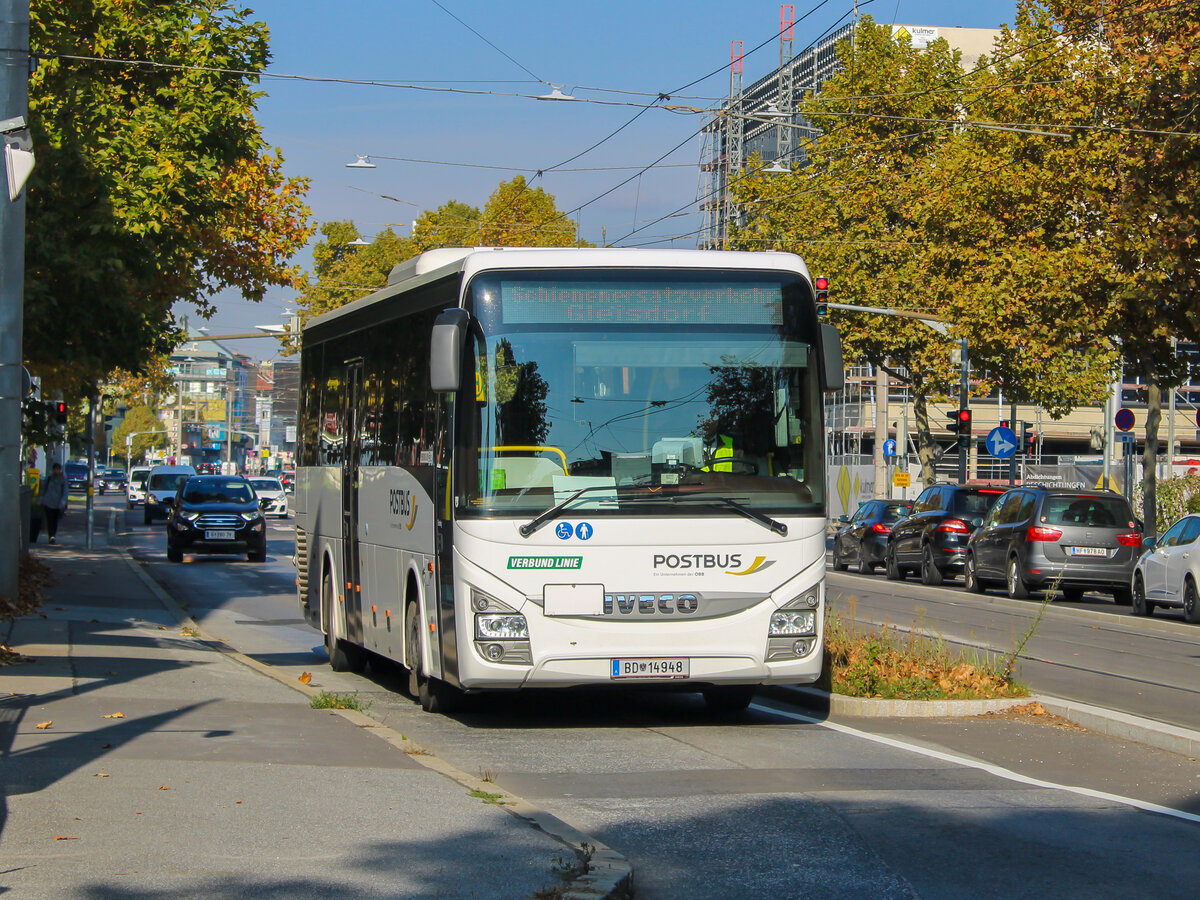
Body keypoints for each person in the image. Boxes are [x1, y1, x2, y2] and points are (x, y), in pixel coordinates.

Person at [40, 462, 69, 545]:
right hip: (48, 502)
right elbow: (43, 489)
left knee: (55, 520)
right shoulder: (49, 478)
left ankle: (53, 535)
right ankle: (51, 536)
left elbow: (65, 492)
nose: (56, 471)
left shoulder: (63, 480)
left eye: (58, 469)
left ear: (60, 470)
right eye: (55, 469)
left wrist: (62, 503)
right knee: (50, 520)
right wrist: (41, 499)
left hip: (58, 504)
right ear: (53, 470)